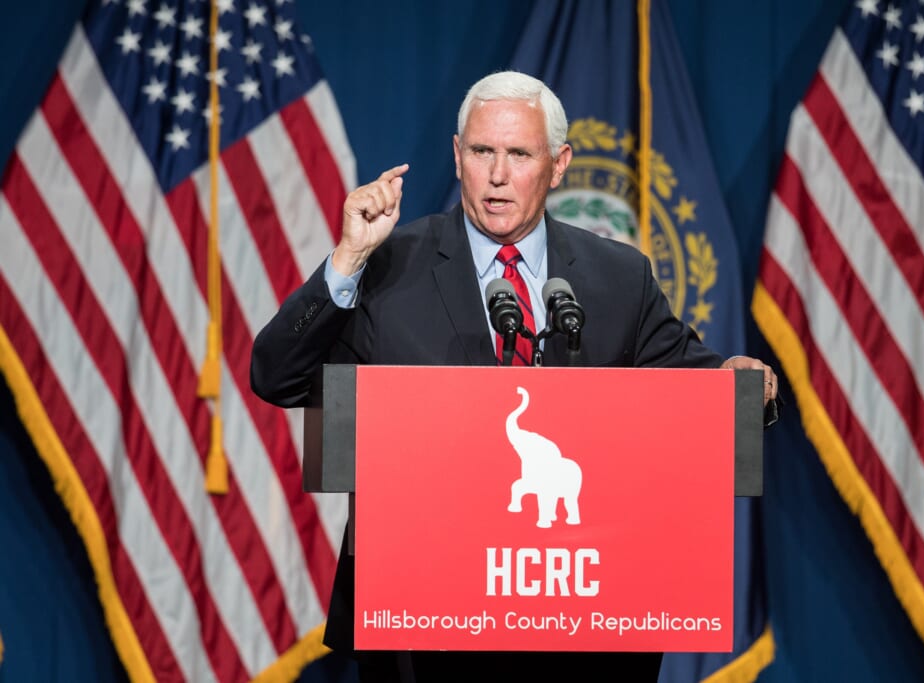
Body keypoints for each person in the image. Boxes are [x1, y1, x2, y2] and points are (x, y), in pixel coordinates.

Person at [251, 71, 777, 682]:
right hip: (424, 630)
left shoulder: (618, 277)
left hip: (586, 628)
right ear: (457, 156)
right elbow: (278, 376)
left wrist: (738, 381)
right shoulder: (388, 266)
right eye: (482, 152)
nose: (497, 175)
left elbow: (694, 383)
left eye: (520, 154)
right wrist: (347, 260)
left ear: (558, 165)